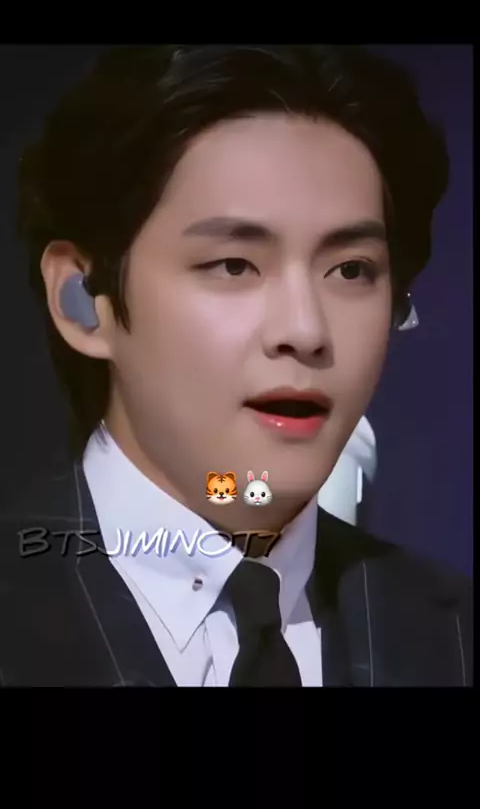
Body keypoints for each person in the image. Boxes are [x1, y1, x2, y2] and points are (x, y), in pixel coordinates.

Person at [0, 44, 471, 687]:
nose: (305, 331)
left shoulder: (454, 637)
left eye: (350, 270)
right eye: (233, 265)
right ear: (83, 300)